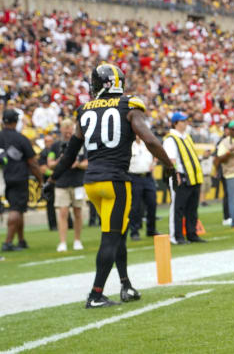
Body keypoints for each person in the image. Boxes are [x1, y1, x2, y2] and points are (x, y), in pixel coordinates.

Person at [48, 63, 177, 308]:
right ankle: (96, 294)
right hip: (115, 181)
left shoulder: (84, 110)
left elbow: (69, 154)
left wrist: (52, 179)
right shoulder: (129, 105)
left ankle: (126, 284)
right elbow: (149, 139)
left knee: (117, 234)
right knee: (111, 237)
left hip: (92, 183)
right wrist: (169, 165)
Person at [1, 110, 44, 252]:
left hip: (5, 177)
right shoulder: (21, 139)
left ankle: (21, 240)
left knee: (19, 208)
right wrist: (40, 180)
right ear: (15, 121)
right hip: (18, 177)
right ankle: (8, 242)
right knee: (16, 210)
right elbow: (32, 163)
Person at [163, 112, 207, 244]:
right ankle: (176, 236)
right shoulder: (170, 139)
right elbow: (171, 160)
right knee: (178, 208)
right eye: (182, 121)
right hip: (181, 177)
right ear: (175, 123)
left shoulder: (186, 137)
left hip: (193, 177)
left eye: (186, 120)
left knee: (192, 209)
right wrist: (176, 174)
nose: (186, 123)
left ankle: (192, 234)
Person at [48, 119, 88, 252]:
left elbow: (88, 162)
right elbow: (50, 163)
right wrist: (61, 161)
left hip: (77, 182)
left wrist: (78, 164)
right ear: (61, 130)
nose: (67, 131)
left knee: (78, 211)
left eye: (69, 128)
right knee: (63, 213)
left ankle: (77, 240)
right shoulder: (55, 146)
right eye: (65, 129)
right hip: (61, 182)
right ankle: (63, 242)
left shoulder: (82, 145)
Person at [128, 135, 159, 240]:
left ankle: (151, 229)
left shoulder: (146, 144)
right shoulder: (129, 145)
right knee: (135, 206)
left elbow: (156, 154)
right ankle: (134, 231)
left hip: (148, 176)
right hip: (134, 177)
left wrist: (154, 163)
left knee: (152, 203)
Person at [38, 134, 58, 230]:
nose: (49, 143)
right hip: (49, 182)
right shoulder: (43, 153)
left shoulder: (56, 151)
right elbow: (42, 169)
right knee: (50, 203)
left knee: (64, 203)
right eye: (47, 141)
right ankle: (53, 226)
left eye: (50, 141)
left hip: (59, 180)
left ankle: (69, 224)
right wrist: (55, 173)